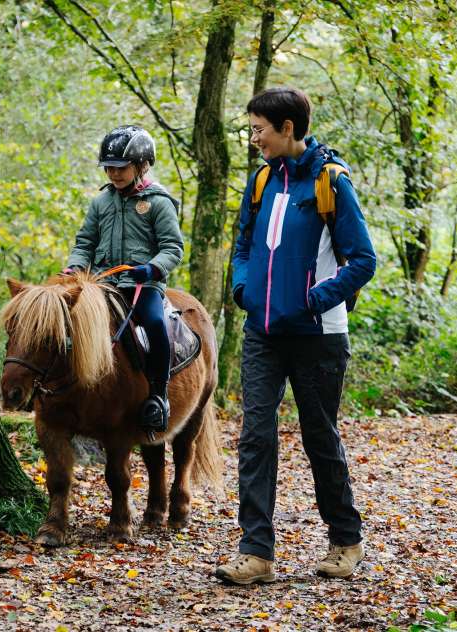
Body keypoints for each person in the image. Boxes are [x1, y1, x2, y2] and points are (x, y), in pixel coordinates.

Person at [215, 87, 376, 585]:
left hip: (318, 335)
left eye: (260, 129)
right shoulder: (262, 180)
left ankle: (346, 540)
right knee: (255, 437)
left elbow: (364, 260)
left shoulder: (332, 183)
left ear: (288, 129)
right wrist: (243, 289)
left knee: (319, 437)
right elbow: (243, 243)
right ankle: (256, 552)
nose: (254, 137)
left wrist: (313, 299)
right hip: (262, 332)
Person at [64, 125, 183, 436]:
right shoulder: (100, 203)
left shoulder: (158, 202)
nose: (113, 174)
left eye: (120, 168)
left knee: (155, 323)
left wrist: (153, 268)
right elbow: (84, 242)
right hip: (103, 284)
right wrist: (74, 267)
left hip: (143, 285)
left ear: (141, 165)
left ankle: (158, 394)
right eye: (109, 168)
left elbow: (173, 247)